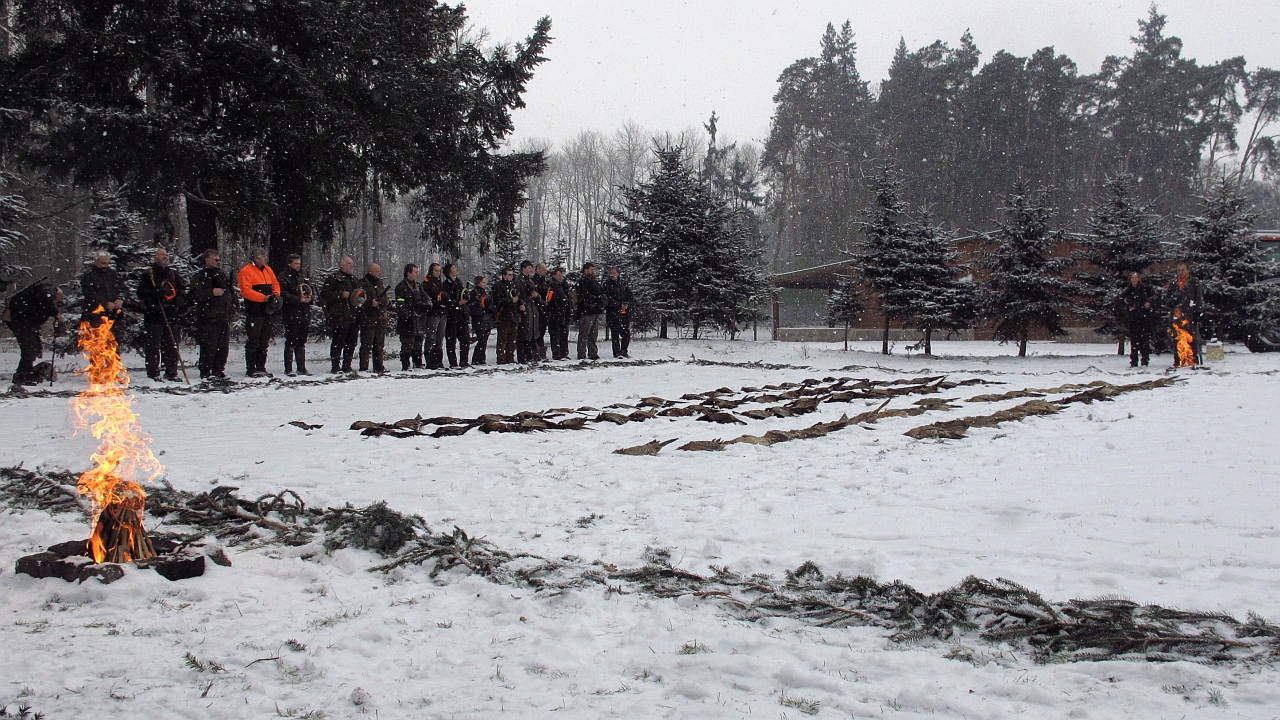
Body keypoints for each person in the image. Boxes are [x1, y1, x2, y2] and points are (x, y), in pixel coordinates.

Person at [136, 248, 186, 381]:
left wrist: (180, 299)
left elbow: (181, 290)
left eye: (166, 255)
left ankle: (171, 371)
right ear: (156, 257)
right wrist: (156, 293)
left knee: (172, 344)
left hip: (171, 313)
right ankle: (153, 372)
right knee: (153, 345)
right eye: (162, 255)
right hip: (154, 314)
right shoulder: (148, 275)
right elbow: (141, 294)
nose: (165, 257)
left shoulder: (173, 274)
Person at [3, 280, 62, 385]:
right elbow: (45, 299)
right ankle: (22, 375)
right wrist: (56, 313)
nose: (55, 302)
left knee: (34, 348)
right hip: (21, 320)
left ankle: (27, 373)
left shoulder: (38, 297)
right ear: (57, 293)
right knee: (30, 348)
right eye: (56, 300)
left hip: (24, 321)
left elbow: (38, 317)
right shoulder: (47, 289)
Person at [188, 249, 235, 380]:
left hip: (223, 317)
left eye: (219, 260)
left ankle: (218, 369)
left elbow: (230, 290)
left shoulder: (221, 275)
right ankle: (205, 370)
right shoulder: (199, 276)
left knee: (223, 347)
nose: (218, 262)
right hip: (208, 317)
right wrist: (211, 292)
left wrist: (233, 303)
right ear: (207, 260)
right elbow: (194, 295)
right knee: (208, 345)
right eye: (215, 259)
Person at [237, 247, 281, 378]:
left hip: (267, 311)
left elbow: (275, 284)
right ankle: (251, 368)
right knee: (253, 340)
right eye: (263, 257)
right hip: (254, 311)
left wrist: (275, 295)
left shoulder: (268, 270)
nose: (265, 259)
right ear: (256, 258)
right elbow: (246, 291)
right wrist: (263, 298)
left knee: (264, 341)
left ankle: (261, 366)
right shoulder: (246, 271)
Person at [321, 256, 361, 373]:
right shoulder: (333, 279)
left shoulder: (354, 280)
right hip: (339, 316)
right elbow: (324, 295)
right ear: (341, 265)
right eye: (349, 263)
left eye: (352, 263)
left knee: (351, 343)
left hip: (353, 315)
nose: (351, 266)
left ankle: (347, 365)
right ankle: (335, 366)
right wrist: (339, 294)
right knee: (338, 342)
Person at [278, 253, 313, 376]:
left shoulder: (301, 276)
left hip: (304, 312)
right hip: (291, 313)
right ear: (289, 264)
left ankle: (301, 367)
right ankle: (288, 369)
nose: (298, 266)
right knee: (291, 341)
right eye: (296, 263)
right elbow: (283, 294)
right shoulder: (283, 277)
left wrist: (309, 298)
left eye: (299, 263)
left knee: (301, 341)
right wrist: (298, 299)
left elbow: (309, 290)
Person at [1167, 262, 1204, 366]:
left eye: (1183, 270)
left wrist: (1197, 312)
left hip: (1189, 314)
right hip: (1176, 315)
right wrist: (1172, 302)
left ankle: (1192, 359)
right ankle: (1179, 360)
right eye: (1179, 270)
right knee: (1177, 338)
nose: (1181, 272)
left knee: (1191, 338)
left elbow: (1199, 298)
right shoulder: (1173, 283)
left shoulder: (1194, 282)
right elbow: (1168, 298)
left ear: (1188, 270)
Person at [394, 264, 429, 371]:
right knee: (407, 344)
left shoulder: (418, 286)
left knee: (418, 344)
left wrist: (423, 306)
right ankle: (406, 365)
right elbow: (400, 303)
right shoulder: (401, 287)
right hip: (407, 321)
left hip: (419, 319)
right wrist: (408, 315)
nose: (417, 274)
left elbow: (427, 299)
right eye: (415, 272)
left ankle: (417, 363)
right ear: (408, 273)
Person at [79, 250, 124, 330]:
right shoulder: (88, 276)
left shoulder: (113, 275)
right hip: (95, 314)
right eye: (102, 263)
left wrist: (120, 299)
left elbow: (122, 289)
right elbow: (89, 294)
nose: (105, 266)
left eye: (107, 263)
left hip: (114, 314)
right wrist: (105, 303)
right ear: (96, 262)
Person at [359, 263, 390, 373]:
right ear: (370, 271)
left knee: (379, 344)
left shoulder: (379, 283)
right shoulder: (362, 284)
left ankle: (379, 366)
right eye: (377, 270)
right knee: (366, 345)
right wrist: (369, 303)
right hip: (368, 318)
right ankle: (364, 367)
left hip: (380, 318)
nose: (379, 272)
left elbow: (385, 298)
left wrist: (382, 302)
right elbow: (358, 300)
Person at [1121, 271, 1154, 368]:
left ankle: (1145, 360)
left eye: (1136, 278)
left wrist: (1147, 304)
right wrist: (1130, 306)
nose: (1134, 280)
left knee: (1144, 341)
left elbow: (1150, 299)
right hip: (1133, 319)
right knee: (1134, 341)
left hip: (1144, 318)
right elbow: (1125, 301)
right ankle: (1134, 361)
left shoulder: (1144, 289)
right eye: (1132, 278)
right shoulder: (1128, 291)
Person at [442, 263, 471, 368]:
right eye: (454, 268)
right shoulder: (445, 285)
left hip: (462, 315)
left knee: (465, 340)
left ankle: (464, 361)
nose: (456, 269)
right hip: (451, 316)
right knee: (451, 341)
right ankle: (453, 363)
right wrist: (456, 303)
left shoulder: (459, 283)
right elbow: (446, 300)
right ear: (449, 272)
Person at [575, 262, 604, 361]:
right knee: (584, 333)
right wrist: (595, 299)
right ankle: (582, 353)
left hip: (595, 310)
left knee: (593, 334)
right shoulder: (582, 282)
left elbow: (600, 292)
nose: (593, 271)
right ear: (585, 270)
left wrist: (600, 299)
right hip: (586, 311)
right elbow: (584, 296)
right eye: (591, 269)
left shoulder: (594, 281)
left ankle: (593, 352)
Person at [603, 266, 634, 359]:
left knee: (626, 333)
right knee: (615, 333)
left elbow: (630, 296)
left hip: (624, 313)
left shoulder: (623, 284)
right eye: (611, 273)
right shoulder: (606, 285)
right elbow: (607, 299)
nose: (612, 275)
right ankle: (616, 353)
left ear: (618, 274)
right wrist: (618, 305)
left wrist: (626, 304)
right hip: (612, 312)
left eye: (614, 273)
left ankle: (624, 351)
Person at [421, 263, 448, 369]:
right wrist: (437, 303)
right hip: (433, 314)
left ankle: (438, 361)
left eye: (439, 271)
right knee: (431, 337)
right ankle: (430, 361)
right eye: (436, 270)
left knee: (439, 338)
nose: (438, 273)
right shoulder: (426, 284)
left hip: (442, 313)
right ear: (431, 271)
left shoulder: (440, 283)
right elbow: (427, 300)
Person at [514, 260, 542, 364]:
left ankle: (529, 355)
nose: (531, 270)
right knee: (523, 335)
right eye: (529, 268)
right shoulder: (518, 281)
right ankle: (522, 357)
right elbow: (517, 295)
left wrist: (536, 296)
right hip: (524, 310)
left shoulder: (531, 281)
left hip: (532, 309)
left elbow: (538, 295)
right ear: (523, 268)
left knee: (531, 334)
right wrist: (521, 303)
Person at [492, 267, 520, 364]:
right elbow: (497, 300)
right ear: (504, 275)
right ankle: (501, 358)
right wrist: (509, 300)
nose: (511, 276)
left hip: (514, 314)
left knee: (512, 338)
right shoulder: (498, 286)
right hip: (504, 314)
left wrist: (520, 303)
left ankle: (510, 357)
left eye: (512, 275)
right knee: (503, 338)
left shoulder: (514, 285)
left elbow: (519, 296)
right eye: (509, 274)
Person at [545, 267, 572, 360]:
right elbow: (548, 299)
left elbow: (568, 299)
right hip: (555, 314)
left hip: (564, 313)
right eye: (559, 275)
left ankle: (564, 352)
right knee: (555, 334)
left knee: (564, 334)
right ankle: (557, 353)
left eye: (562, 275)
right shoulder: (551, 286)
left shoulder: (564, 285)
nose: (561, 277)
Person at [468, 274, 494, 365]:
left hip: (486, 319)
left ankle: (481, 358)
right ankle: (476, 359)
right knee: (481, 339)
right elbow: (472, 307)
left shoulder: (484, 293)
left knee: (484, 340)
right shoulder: (474, 293)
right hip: (479, 319)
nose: (485, 284)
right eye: (483, 282)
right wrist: (483, 309)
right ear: (478, 283)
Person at [533, 262, 550, 360]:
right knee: (536, 333)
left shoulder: (545, 282)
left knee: (542, 332)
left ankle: (541, 352)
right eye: (543, 269)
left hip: (544, 311)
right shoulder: (534, 282)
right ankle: (536, 352)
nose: (545, 271)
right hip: (537, 310)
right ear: (538, 270)